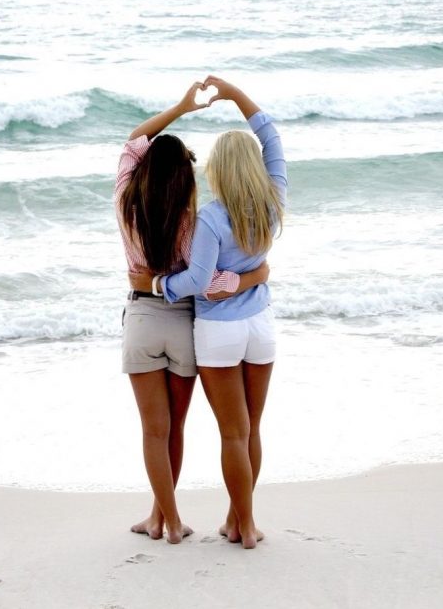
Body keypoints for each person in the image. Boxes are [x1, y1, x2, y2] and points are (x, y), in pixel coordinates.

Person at [132, 76, 286, 549]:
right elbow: (271, 134)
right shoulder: (274, 196)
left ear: (219, 169)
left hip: (219, 332)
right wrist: (236, 95)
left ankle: (243, 528)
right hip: (260, 325)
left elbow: (195, 283)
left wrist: (156, 284)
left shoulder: (212, 218)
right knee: (252, 429)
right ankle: (243, 522)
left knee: (232, 435)